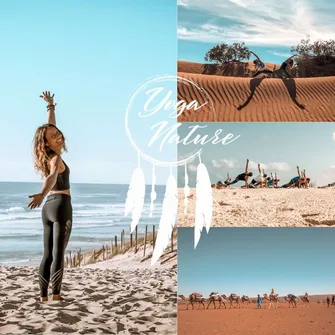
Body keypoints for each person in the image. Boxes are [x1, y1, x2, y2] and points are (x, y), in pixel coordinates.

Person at [28, 91, 72, 302]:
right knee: (58, 254)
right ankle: (56, 295)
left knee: (47, 254)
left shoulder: (45, 155)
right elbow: (53, 177)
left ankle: (42, 297)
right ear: (47, 143)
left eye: (58, 133)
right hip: (62, 204)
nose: (58, 136)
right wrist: (42, 192)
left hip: (48, 208)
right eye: (53, 137)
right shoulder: (55, 159)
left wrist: (51, 106)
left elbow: (49, 128)